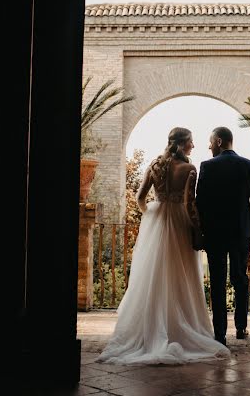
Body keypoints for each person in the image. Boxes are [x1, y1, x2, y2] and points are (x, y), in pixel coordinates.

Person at [96, 127, 230, 365]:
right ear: (181, 145)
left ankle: (150, 329)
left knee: (154, 276)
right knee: (182, 276)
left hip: (156, 222)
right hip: (179, 224)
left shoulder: (155, 165)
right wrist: (197, 229)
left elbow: (139, 198)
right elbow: (190, 205)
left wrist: (152, 216)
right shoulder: (189, 169)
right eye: (190, 142)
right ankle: (181, 326)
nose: (193, 146)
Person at [196, 126, 250, 346]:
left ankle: (220, 333)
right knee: (240, 279)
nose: (208, 147)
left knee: (217, 282)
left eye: (210, 142)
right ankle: (241, 326)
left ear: (218, 141)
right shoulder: (249, 166)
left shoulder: (207, 166)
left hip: (215, 234)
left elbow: (201, 203)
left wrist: (202, 232)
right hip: (241, 232)